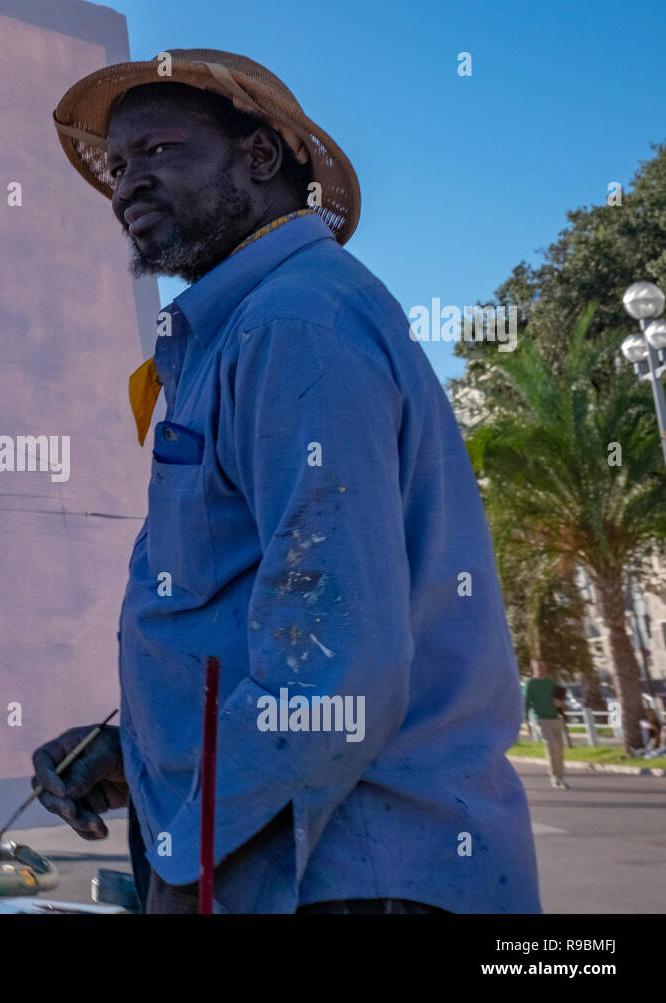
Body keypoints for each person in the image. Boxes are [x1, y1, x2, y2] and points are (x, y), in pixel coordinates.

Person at [33, 49, 541, 914]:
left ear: (261, 158)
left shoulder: (293, 324)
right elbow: (249, 614)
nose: (127, 186)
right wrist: (144, 751)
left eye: (159, 151)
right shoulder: (250, 329)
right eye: (119, 167)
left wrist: (184, 840)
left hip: (343, 878)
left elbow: (335, 675)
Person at [523, 660, 567, 788]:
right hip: (540, 718)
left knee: (559, 748)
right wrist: (527, 722)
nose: (541, 669)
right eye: (538, 667)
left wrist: (561, 704)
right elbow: (525, 703)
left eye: (542, 666)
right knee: (551, 745)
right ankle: (554, 777)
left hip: (555, 718)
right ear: (533, 668)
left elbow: (559, 700)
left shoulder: (551, 682)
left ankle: (560, 777)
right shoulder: (530, 684)